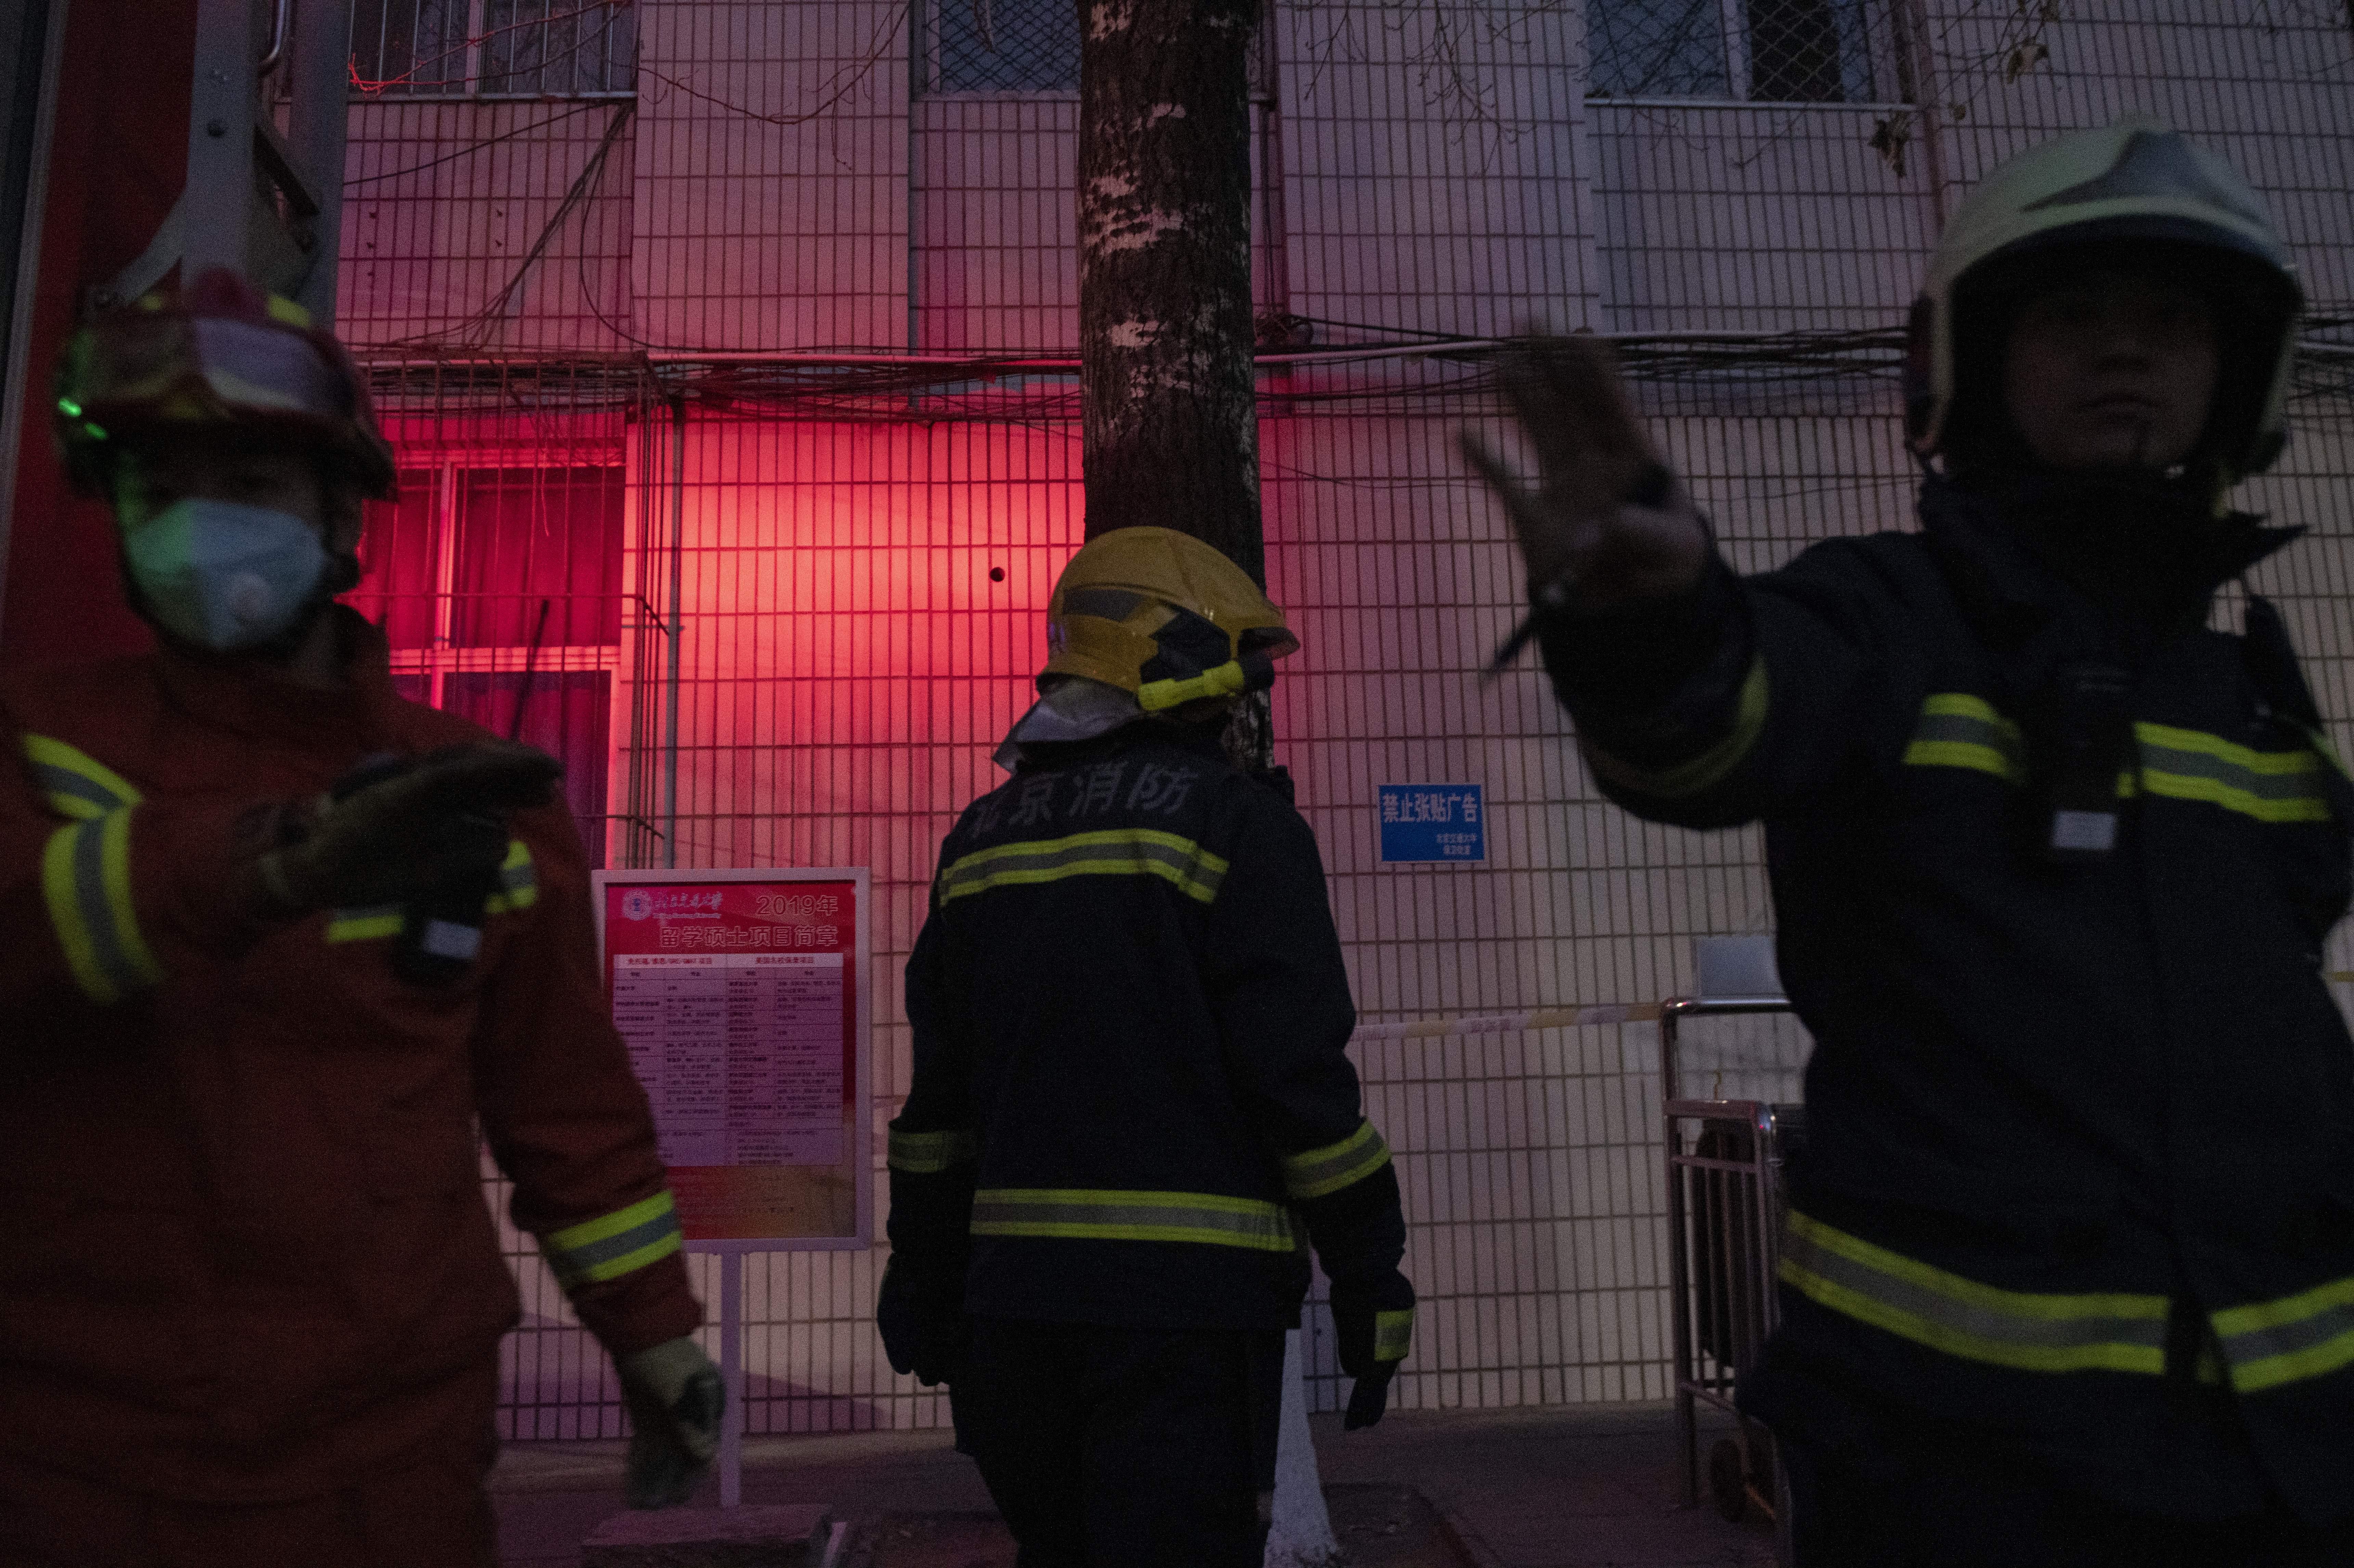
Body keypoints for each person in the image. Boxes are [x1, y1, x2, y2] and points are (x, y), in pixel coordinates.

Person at [1465, 120, 2354, 1565]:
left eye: (2171, 319)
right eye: (2073, 313)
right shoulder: (1885, 620)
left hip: (2284, 1461)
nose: (2125, 352)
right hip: (1961, 1469)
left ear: (2234, 373)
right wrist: (1643, 625)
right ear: (1971, 358)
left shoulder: (2247, 688)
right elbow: (1710, 735)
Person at [0, 270, 721, 1567]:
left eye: (253, 489)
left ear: (343, 512)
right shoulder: (36, 746)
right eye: (159, 491)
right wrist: (265, 868)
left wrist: (656, 1337)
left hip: (391, 1462)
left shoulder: (471, 800)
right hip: (70, 1452)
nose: (200, 531)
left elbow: (566, 1108)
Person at [878, 526, 1414, 1568]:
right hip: (1188, 1321)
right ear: (1176, 668)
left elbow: (936, 1111)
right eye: (1237, 690)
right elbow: (1302, 1093)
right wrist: (1369, 1274)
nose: (1242, 713)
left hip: (1013, 1317)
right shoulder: (1236, 829)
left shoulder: (979, 839)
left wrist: (924, 1273)